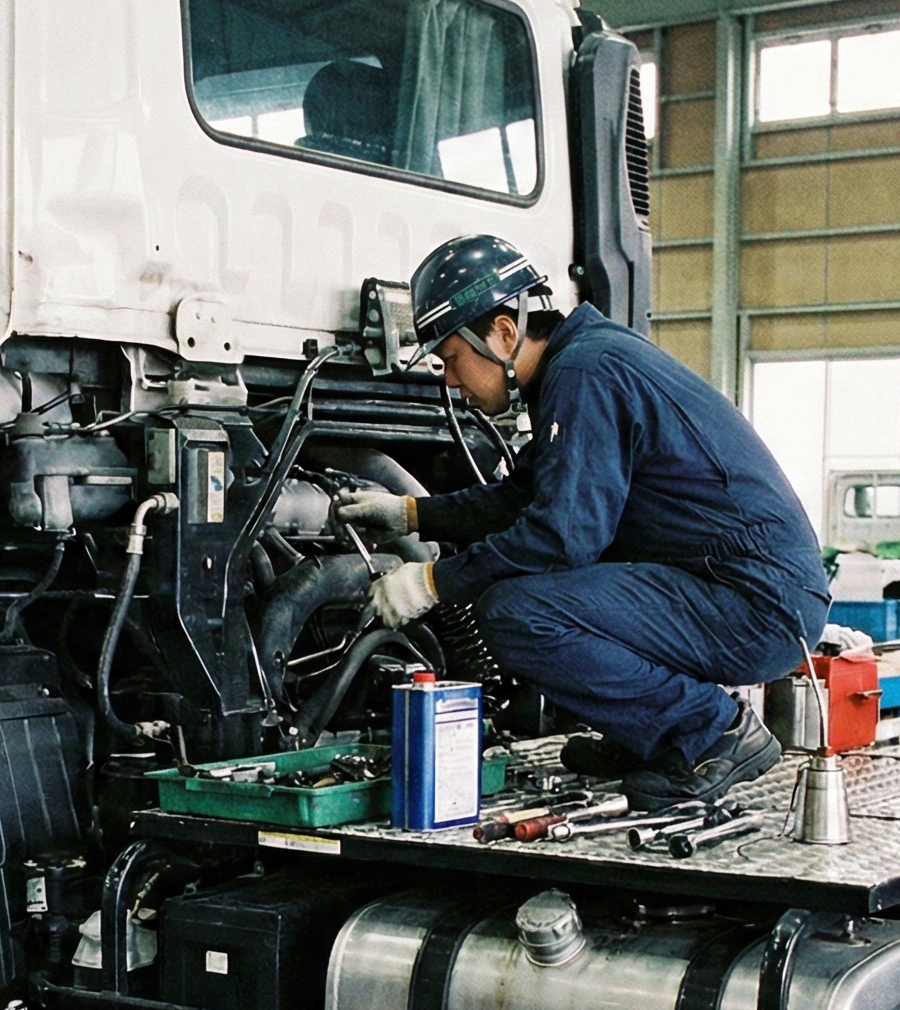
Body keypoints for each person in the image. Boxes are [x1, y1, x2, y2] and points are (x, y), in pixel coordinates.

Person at [337, 236, 831, 809]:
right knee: (536, 596)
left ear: (501, 332)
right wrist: (411, 512)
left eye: (451, 359)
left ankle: (710, 732)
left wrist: (430, 583)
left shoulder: (588, 372)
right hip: (740, 592)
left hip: (754, 604)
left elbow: (561, 536)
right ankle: (654, 740)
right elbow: (526, 497)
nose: (449, 380)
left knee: (518, 614)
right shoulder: (580, 362)